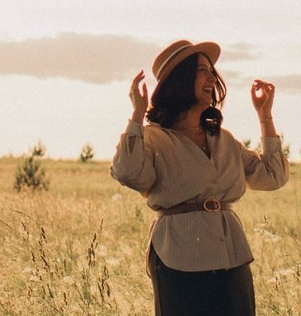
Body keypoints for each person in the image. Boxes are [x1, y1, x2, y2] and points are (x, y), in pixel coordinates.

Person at [110, 38, 289, 316]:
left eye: (211, 71)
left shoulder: (224, 140)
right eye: (202, 70)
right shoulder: (154, 138)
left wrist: (265, 115)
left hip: (231, 254)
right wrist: (136, 114)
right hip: (178, 255)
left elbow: (273, 176)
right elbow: (129, 173)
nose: (212, 77)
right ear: (180, 81)